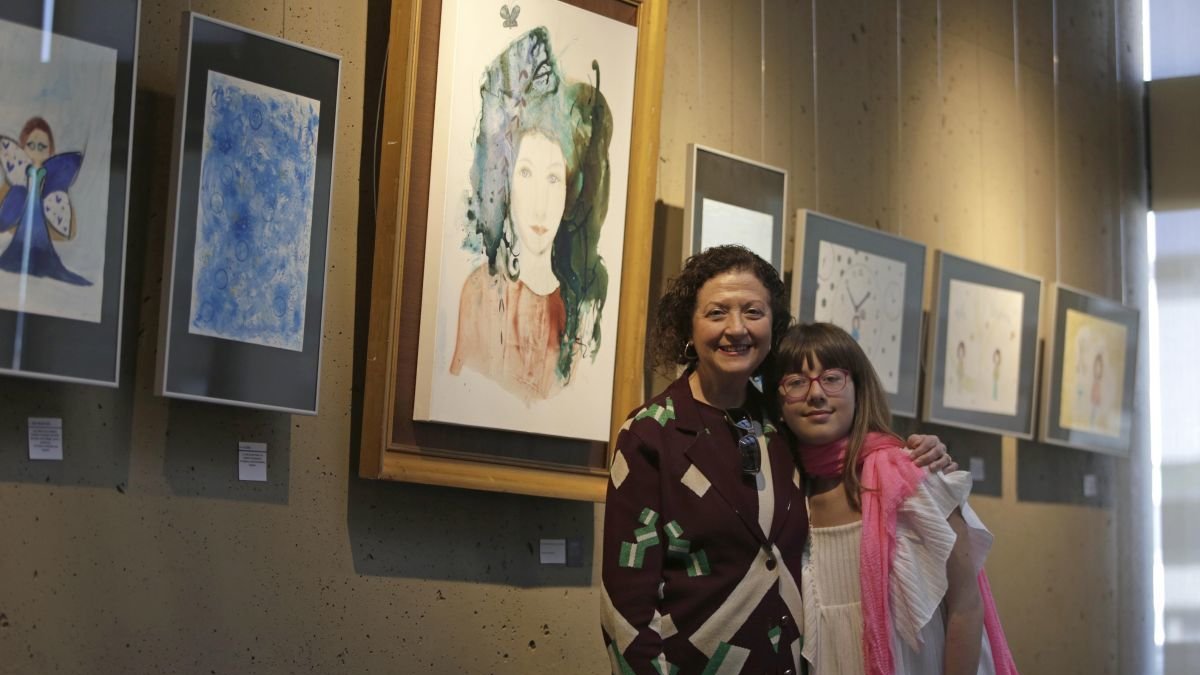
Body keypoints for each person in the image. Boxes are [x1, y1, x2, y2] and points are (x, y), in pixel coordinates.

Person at [601, 246, 954, 675]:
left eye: (753, 311)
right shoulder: (650, 434)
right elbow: (625, 608)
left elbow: (855, 446)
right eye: (716, 313)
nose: (737, 329)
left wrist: (919, 452)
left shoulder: (781, 421)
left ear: (773, 325)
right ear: (687, 330)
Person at [772, 322, 1019, 675]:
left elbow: (965, 604)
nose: (816, 394)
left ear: (858, 388)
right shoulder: (789, 492)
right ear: (779, 403)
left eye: (832, 378)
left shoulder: (910, 473)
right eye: (796, 382)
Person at [450, 26, 611, 403]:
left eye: (553, 178)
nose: (540, 204)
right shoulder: (481, 293)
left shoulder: (581, 307)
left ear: (570, 190)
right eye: (526, 174)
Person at [0, 116, 88, 285]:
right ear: (21, 147)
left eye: (42, 147)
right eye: (30, 145)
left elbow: (69, 233)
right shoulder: (14, 183)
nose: (36, 151)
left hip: (41, 222)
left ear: (51, 151)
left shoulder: (54, 183)